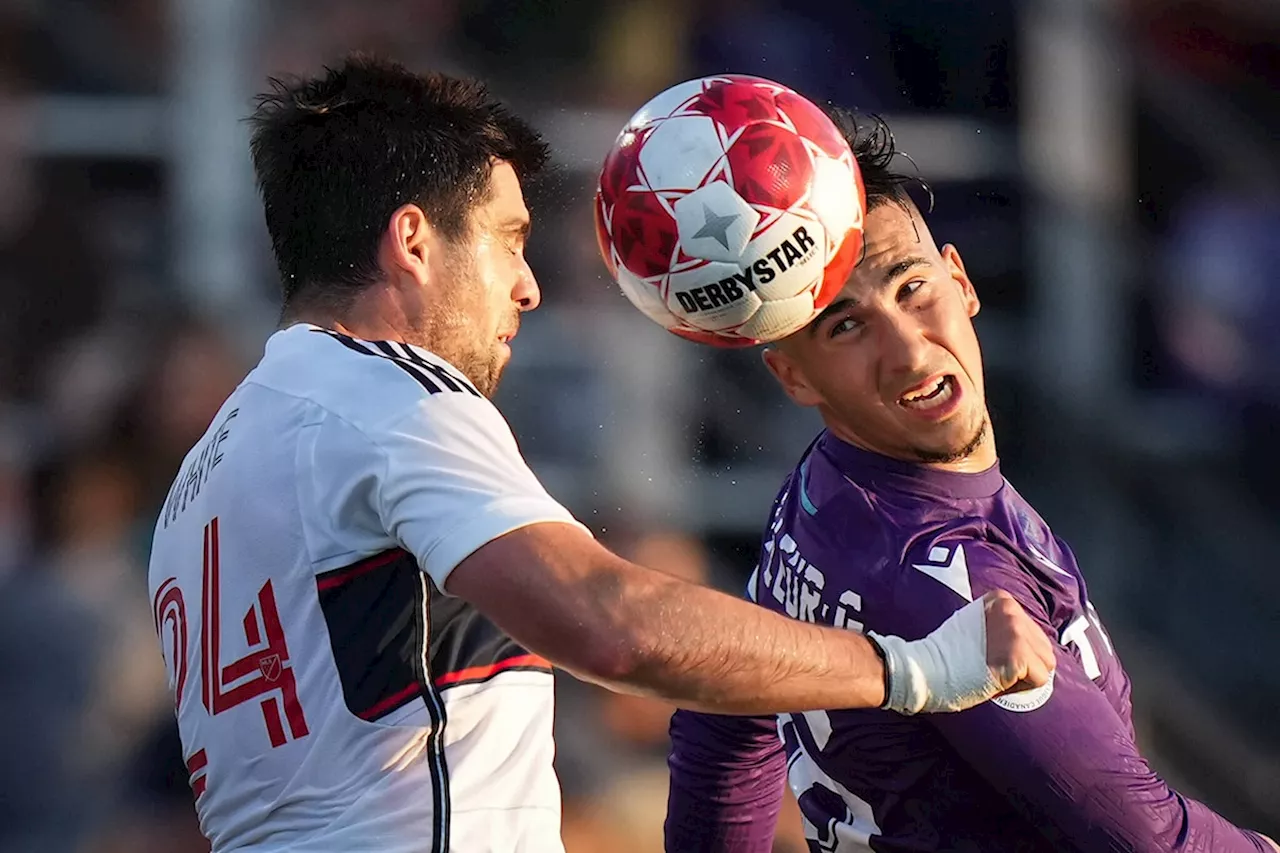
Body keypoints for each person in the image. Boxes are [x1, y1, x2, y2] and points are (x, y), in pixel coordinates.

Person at [143, 56, 1054, 853]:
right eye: (509, 240)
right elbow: (609, 625)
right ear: (414, 241)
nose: (529, 288)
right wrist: (913, 668)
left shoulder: (204, 473)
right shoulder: (387, 395)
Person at [663, 109, 1279, 852]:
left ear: (961, 280)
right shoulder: (941, 581)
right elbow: (1145, 840)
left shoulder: (823, 488)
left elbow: (722, 713)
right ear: (791, 373)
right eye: (846, 326)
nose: (910, 349)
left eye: (913, 287)